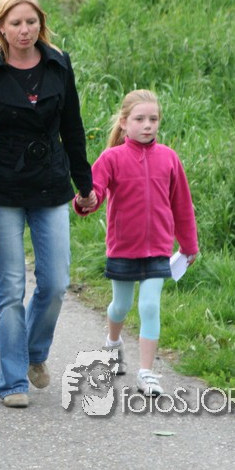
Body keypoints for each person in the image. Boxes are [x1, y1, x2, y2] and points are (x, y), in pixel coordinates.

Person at [0, 0, 95, 408]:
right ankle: (12, 380)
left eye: (31, 21)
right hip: (4, 188)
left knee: (55, 283)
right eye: (15, 22)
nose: (24, 30)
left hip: (51, 183)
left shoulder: (58, 64)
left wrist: (85, 184)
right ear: (0, 26)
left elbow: (73, 127)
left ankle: (34, 352)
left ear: (41, 23)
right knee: (11, 286)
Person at [74, 89, 198, 397]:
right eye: (140, 119)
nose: (147, 125)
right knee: (121, 306)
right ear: (124, 122)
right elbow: (94, 193)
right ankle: (113, 342)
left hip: (158, 248)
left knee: (150, 306)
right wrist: (85, 201)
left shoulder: (169, 158)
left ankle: (146, 372)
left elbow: (182, 204)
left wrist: (188, 245)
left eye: (153, 119)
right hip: (123, 248)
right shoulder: (111, 158)